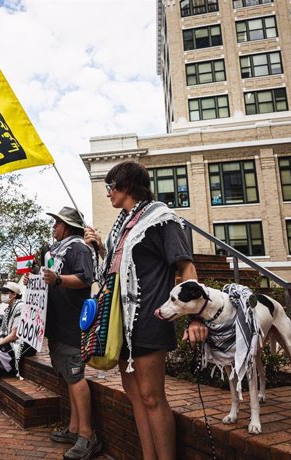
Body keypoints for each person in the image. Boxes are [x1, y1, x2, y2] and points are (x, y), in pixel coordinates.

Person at [84, 160, 208, 460]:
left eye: (111, 186)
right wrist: (101, 248)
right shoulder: (121, 228)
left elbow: (186, 266)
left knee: (152, 397)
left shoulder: (161, 219)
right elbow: (113, 274)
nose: (108, 194)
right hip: (121, 323)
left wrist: (194, 316)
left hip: (150, 319)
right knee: (136, 398)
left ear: (126, 186)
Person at [43, 207, 100, 460]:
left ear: (67, 225)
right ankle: (74, 428)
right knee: (68, 375)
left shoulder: (78, 247)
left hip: (72, 324)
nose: (53, 227)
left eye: (57, 223)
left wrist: (57, 280)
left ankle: (88, 436)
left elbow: (86, 278)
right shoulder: (58, 250)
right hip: (57, 324)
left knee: (75, 376)